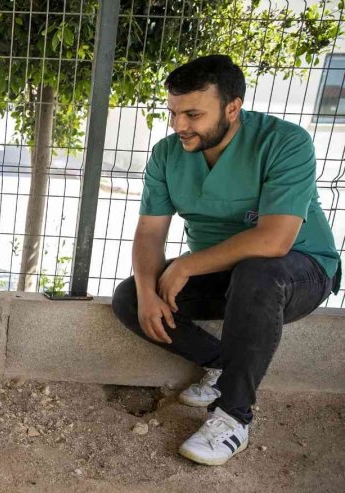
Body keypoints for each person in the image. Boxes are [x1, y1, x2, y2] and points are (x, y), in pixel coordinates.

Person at [111, 55, 341, 466]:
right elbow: (149, 233)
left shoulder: (286, 142)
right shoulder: (168, 154)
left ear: (233, 108)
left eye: (194, 114)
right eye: (174, 113)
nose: (180, 125)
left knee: (258, 274)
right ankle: (221, 367)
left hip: (297, 269)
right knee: (130, 296)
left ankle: (233, 418)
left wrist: (185, 265)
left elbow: (275, 239)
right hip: (219, 271)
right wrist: (149, 292)